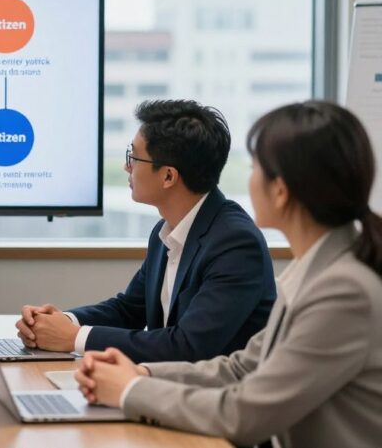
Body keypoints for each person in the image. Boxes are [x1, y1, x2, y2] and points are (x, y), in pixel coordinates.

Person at [76, 101, 382, 448]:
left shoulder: (344, 292)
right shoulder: (316, 271)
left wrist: (132, 390)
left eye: (254, 168)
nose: (247, 180)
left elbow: (243, 414)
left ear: (280, 191)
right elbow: (240, 368)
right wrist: (142, 373)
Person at [16, 100, 276, 362]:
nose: (126, 167)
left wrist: (74, 338)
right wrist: (60, 322)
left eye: (134, 157)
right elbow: (130, 309)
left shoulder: (235, 243)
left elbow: (189, 346)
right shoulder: (166, 232)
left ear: (168, 177)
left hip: (215, 396)